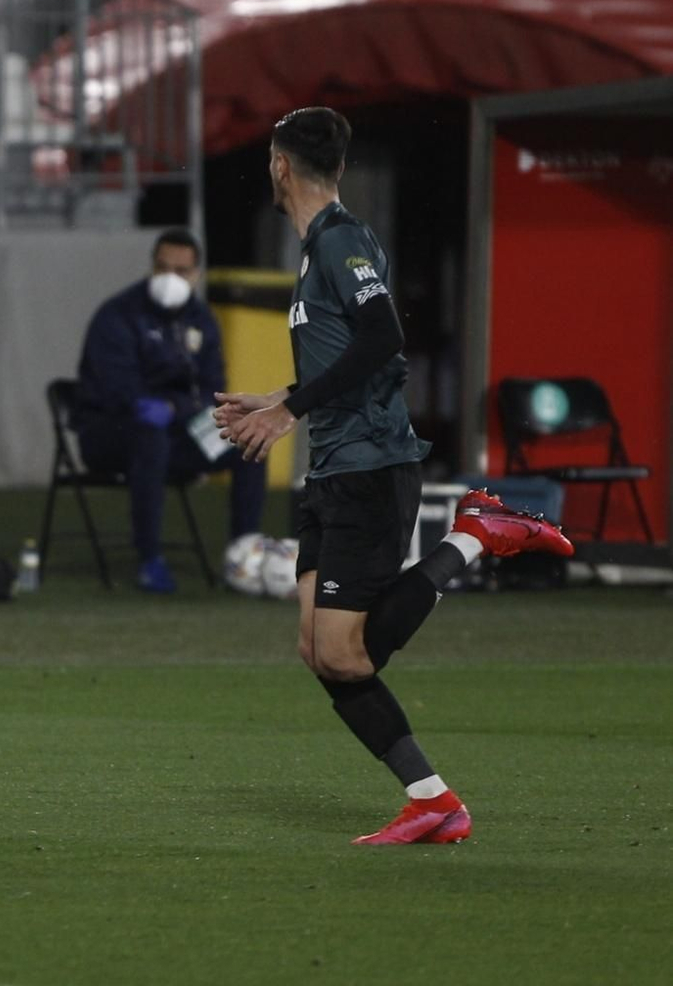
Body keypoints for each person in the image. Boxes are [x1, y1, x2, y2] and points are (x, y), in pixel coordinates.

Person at [215, 106, 574, 847]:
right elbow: (349, 350)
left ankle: (475, 536)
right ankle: (432, 800)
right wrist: (283, 398)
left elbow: (383, 336)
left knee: (348, 653)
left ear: (281, 166)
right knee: (319, 650)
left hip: (372, 468)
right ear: (337, 167)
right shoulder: (324, 246)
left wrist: (292, 412)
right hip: (335, 467)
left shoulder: (342, 240)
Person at [74, 228, 262, 594]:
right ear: (151, 267)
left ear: (196, 275)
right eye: (162, 267)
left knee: (249, 440)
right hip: (111, 433)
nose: (170, 277)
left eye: (180, 270)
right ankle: (149, 559)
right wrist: (163, 407)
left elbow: (213, 385)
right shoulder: (118, 315)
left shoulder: (201, 319)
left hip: (178, 430)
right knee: (150, 437)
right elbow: (117, 389)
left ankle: (245, 557)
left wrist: (181, 407)